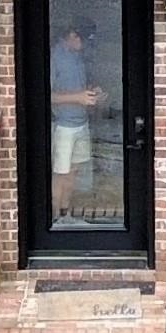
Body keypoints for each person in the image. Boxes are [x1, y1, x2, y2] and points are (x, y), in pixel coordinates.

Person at [50, 20, 102, 220]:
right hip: (63, 124)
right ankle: (53, 219)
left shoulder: (78, 56)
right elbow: (46, 95)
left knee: (73, 171)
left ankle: (65, 214)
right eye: (84, 40)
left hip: (81, 123)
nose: (86, 45)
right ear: (72, 35)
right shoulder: (54, 57)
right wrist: (78, 97)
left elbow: (78, 87)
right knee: (60, 173)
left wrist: (92, 92)